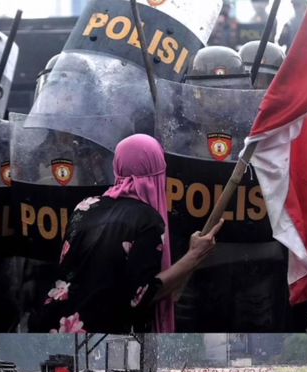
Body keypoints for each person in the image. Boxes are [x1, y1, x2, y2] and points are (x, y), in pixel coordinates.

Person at [29, 133, 223, 335]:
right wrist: (194, 256)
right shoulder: (147, 220)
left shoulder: (85, 206)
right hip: (97, 331)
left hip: (53, 323)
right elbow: (143, 294)